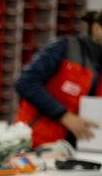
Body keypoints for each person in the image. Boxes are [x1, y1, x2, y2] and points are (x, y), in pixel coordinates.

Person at [15, 11, 102, 148]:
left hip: (81, 148)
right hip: (36, 142)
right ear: (97, 28)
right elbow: (26, 83)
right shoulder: (64, 47)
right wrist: (64, 116)